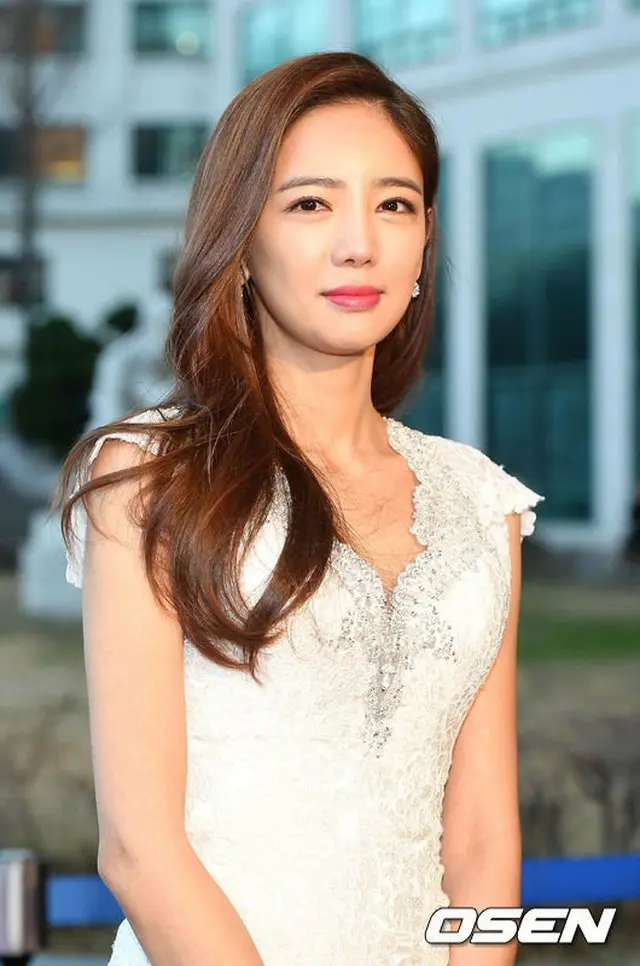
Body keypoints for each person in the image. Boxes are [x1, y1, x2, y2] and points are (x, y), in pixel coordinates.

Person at [51, 51, 544, 966]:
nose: (360, 243)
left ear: (424, 241)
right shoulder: (150, 479)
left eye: (394, 205)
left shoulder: (484, 502)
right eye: (312, 203)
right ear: (241, 239)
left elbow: (483, 834)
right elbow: (140, 850)